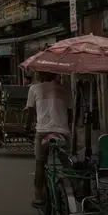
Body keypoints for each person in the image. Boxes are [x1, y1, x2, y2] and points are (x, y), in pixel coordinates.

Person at [26, 72, 72, 207]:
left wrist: (27, 127)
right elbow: (70, 113)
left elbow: (30, 112)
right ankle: (73, 187)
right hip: (62, 131)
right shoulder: (65, 88)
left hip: (43, 131)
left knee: (40, 162)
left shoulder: (34, 88)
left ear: (39, 75)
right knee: (66, 162)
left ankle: (38, 195)